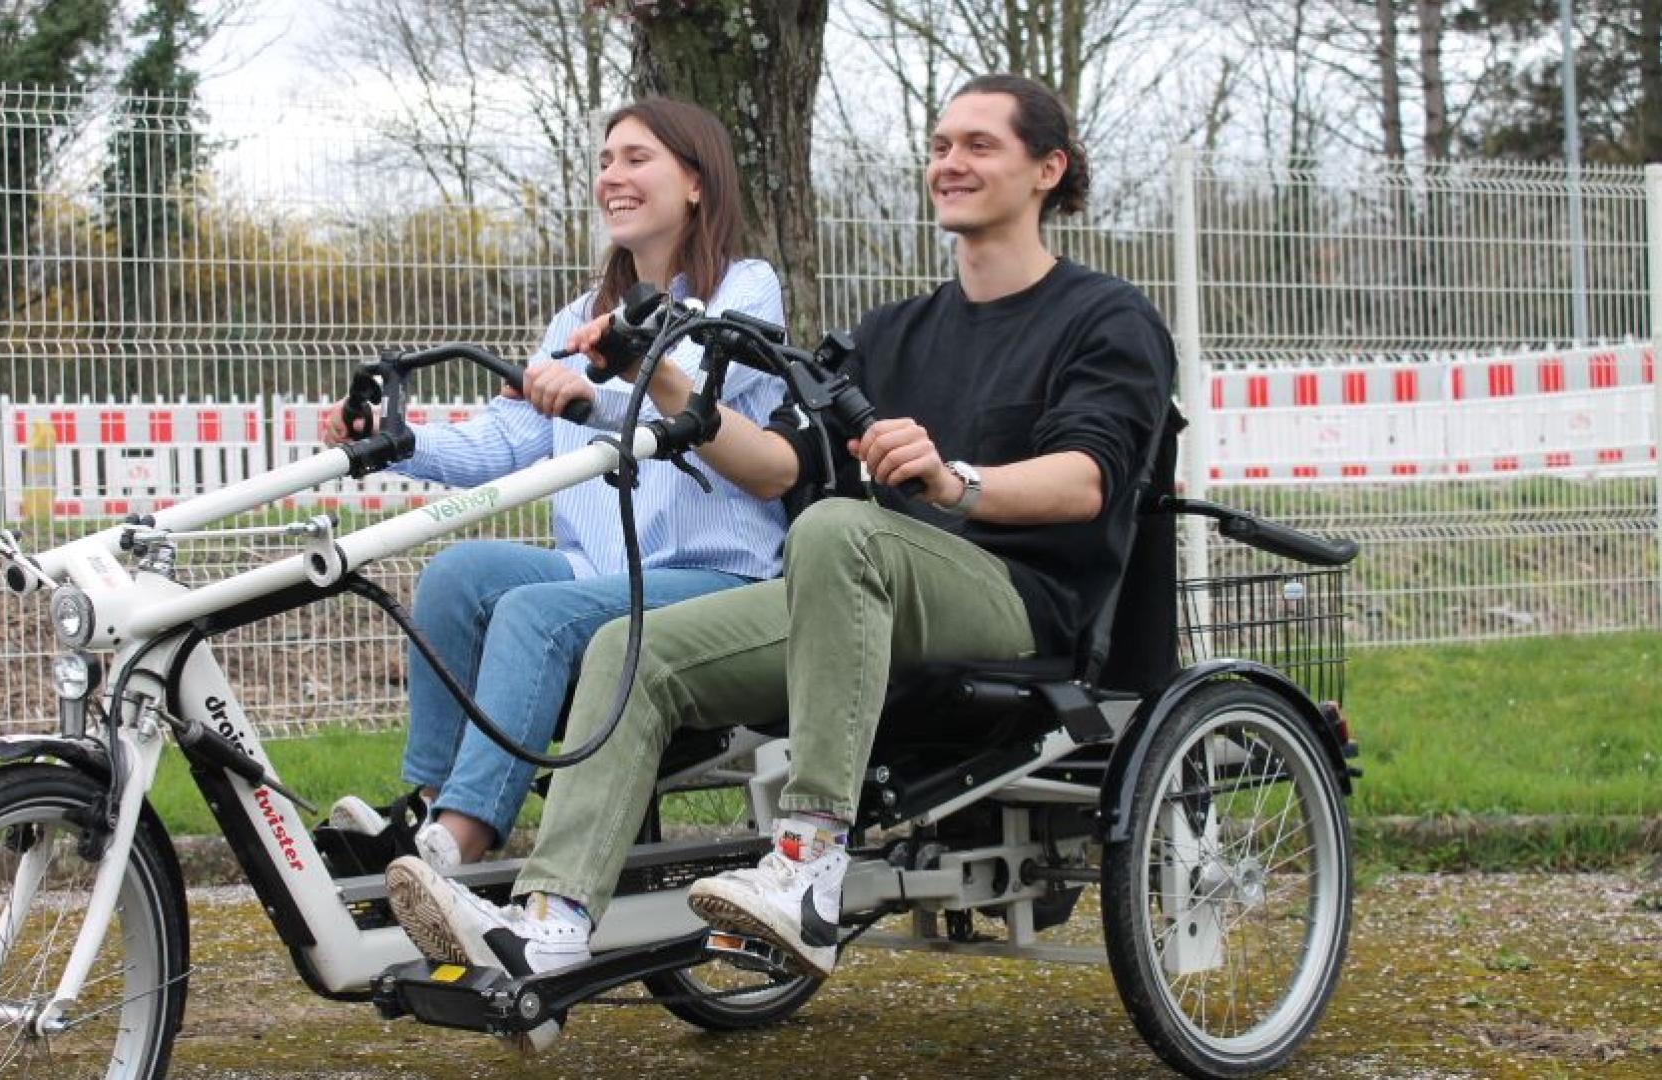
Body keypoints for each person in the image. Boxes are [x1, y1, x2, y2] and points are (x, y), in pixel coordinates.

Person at [384, 73, 1178, 1051]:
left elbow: (1089, 481)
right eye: (940, 145)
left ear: (1048, 170)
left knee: (839, 529)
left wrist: (954, 482)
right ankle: (550, 928)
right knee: (635, 649)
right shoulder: (892, 332)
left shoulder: (1106, 317)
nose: (950, 163)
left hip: (1019, 600)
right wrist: (663, 384)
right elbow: (777, 466)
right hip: (857, 591)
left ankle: (807, 866)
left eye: (980, 145)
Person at [320, 98, 796, 875]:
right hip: (598, 570)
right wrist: (390, 439)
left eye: (636, 159)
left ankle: (463, 839)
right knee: (457, 576)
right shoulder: (577, 317)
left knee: (535, 614)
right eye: (605, 162)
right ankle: (427, 808)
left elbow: (691, 388)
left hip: (716, 577)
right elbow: (507, 440)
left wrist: (589, 391)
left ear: (697, 182)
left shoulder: (744, 291)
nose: (613, 176)